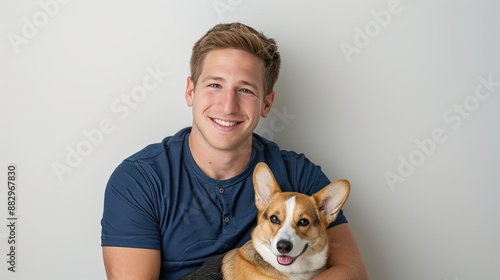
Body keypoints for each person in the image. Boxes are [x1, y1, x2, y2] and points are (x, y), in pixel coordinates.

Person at [101, 22, 368, 280]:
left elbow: (352, 272)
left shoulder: (299, 175)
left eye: (245, 90)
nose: (228, 106)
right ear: (190, 91)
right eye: (215, 85)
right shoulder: (138, 180)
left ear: (266, 103)